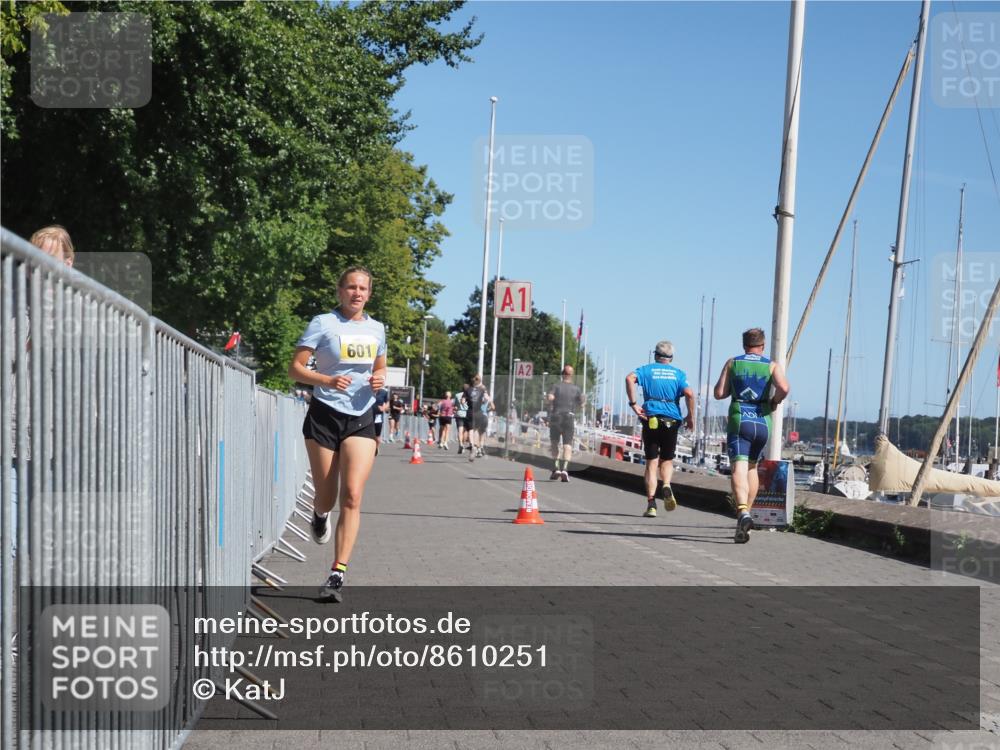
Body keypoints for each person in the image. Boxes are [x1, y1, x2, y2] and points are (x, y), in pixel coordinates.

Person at [287, 266, 386, 601]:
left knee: (353, 495)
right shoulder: (322, 323)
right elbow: (295, 368)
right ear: (339, 290)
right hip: (325, 414)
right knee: (326, 496)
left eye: (363, 289)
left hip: (361, 415)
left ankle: (337, 572)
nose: (357, 293)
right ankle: (318, 515)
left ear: (369, 294)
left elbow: (380, 366)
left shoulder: (377, 329)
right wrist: (327, 380)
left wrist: (379, 379)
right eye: (351, 287)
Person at [713, 327, 790, 543]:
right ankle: (746, 517)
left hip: (740, 420)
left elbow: (719, 393)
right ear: (762, 346)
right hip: (763, 421)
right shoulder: (771, 365)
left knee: (738, 466)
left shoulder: (733, 363)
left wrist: (731, 389)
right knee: (752, 468)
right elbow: (784, 387)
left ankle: (743, 512)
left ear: (744, 345)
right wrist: (774, 401)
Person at [626, 341, 695, 517]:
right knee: (667, 460)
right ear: (671, 358)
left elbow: (629, 378)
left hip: (651, 417)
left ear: (655, 355)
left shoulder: (646, 370)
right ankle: (666, 484)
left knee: (651, 462)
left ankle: (651, 504)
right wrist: (690, 417)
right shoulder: (678, 374)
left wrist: (634, 404)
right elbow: (689, 394)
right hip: (672, 417)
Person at [546, 366, 583, 481]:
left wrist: (549, 400)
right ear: (571, 375)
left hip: (556, 416)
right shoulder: (576, 389)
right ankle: (565, 470)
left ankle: (556, 468)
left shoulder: (556, 386)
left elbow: (550, 397)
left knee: (554, 443)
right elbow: (581, 403)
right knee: (567, 445)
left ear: (562, 374)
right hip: (569, 417)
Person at [464, 375, 493, 461]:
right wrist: (486, 403)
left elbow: (463, 401)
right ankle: (478, 447)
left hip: (470, 412)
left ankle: (473, 445)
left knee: (471, 430)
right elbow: (488, 399)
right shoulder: (482, 390)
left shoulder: (468, 390)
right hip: (481, 414)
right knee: (478, 431)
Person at [456, 385, 470, 454]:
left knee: (460, 430)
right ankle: (463, 445)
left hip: (459, 414)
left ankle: (460, 444)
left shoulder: (457, 395)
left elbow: (455, 405)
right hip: (467, 414)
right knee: (465, 431)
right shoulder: (470, 395)